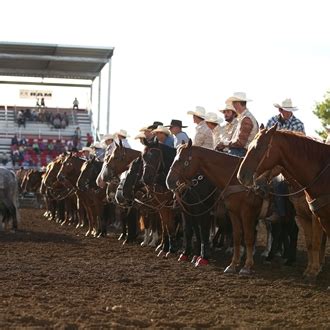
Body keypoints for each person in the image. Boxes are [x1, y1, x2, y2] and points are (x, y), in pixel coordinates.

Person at [265, 98, 305, 222]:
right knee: (261, 179)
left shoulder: (298, 124)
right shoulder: (272, 121)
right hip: (274, 159)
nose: (286, 113)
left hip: (291, 161)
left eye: (288, 111)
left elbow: (301, 146)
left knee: (278, 182)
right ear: (280, 109)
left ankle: (281, 213)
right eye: (284, 110)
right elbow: (266, 140)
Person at [223, 92, 258, 157]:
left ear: (237, 103)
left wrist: (224, 143)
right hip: (240, 152)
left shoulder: (246, 118)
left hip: (241, 153)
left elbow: (240, 143)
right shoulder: (244, 117)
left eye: (233, 103)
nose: (233, 106)